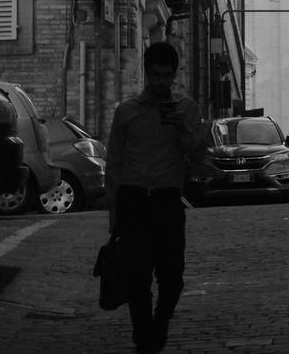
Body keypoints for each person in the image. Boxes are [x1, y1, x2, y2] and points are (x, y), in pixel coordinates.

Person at [105, 40, 210, 354]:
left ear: (174, 74)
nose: (161, 82)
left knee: (172, 276)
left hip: (167, 201)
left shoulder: (187, 109)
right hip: (133, 200)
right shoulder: (126, 112)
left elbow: (199, 155)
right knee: (138, 277)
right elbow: (114, 163)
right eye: (156, 75)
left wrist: (183, 128)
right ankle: (144, 338)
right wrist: (114, 213)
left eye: (167, 76)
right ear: (147, 74)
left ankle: (160, 321)